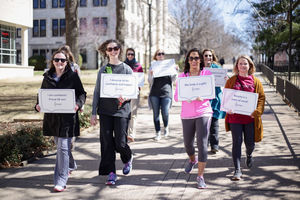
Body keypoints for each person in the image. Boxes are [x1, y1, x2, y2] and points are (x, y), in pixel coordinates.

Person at [35, 50, 86, 192]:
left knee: (62, 147)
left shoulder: (73, 77)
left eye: (62, 60)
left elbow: (82, 93)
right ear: (53, 61)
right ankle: (71, 164)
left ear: (66, 62)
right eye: (57, 60)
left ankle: (61, 180)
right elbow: (42, 94)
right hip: (52, 118)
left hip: (68, 119)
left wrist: (78, 104)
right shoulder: (47, 77)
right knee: (60, 146)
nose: (59, 63)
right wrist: (38, 104)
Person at [90, 39, 133, 185]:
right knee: (107, 143)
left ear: (119, 50)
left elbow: (133, 91)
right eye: (110, 49)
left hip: (122, 111)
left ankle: (127, 157)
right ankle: (111, 173)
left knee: (121, 143)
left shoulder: (127, 69)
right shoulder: (103, 70)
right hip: (105, 111)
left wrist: (126, 97)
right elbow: (97, 92)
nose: (113, 51)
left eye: (116, 48)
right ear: (106, 52)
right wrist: (93, 112)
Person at [174, 48, 213, 189]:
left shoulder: (206, 74)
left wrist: (203, 96)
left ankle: (200, 176)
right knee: (188, 144)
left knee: (202, 144)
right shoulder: (182, 77)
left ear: (201, 60)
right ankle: (192, 160)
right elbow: (177, 97)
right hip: (187, 114)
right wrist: (188, 97)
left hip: (204, 112)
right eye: (191, 58)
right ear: (188, 60)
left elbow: (211, 93)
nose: (194, 61)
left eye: (197, 58)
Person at [224, 55, 265, 181]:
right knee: (237, 142)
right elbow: (226, 97)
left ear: (250, 66)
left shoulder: (255, 81)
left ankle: (249, 154)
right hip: (235, 118)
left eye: (245, 63)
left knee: (250, 143)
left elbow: (261, 98)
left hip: (250, 118)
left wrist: (257, 111)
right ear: (237, 66)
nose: (242, 66)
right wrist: (227, 108)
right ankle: (237, 170)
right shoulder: (231, 81)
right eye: (240, 63)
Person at [148, 49, 177, 141]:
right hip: (155, 93)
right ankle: (158, 132)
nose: (160, 55)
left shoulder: (168, 65)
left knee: (165, 112)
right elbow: (149, 81)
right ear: (155, 56)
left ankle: (166, 126)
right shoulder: (153, 66)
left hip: (166, 92)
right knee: (156, 113)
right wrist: (151, 74)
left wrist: (175, 71)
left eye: (162, 54)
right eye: (158, 54)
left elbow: (173, 79)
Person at [202, 49, 226, 154]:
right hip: (203, 100)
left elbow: (224, 82)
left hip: (215, 99)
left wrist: (225, 79)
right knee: (204, 124)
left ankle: (214, 145)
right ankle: (204, 144)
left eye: (210, 56)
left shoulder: (217, 68)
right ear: (202, 57)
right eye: (206, 55)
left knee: (214, 124)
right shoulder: (199, 69)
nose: (208, 57)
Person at [124, 48, 144, 142]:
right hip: (124, 92)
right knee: (124, 113)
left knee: (133, 114)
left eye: (132, 54)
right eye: (128, 54)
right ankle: (124, 133)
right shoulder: (123, 65)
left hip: (135, 92)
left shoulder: (138, 66)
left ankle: (131, 134)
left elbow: (141, 81)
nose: (130, 56)